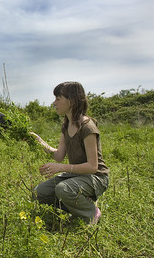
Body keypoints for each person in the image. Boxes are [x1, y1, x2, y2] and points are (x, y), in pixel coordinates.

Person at [30, 82, 109, 225]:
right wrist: (39, 141)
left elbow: (92, 167)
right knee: (38, 193)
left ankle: (91, 212)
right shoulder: (66, 125)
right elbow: (59, 155)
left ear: (71, 100)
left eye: (58, 99)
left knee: (63, 189)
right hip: (76, 175)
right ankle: (79, 208)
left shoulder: (87, 127)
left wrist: (61, 168)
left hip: (96, 177)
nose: (54, 103)